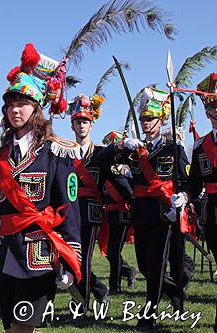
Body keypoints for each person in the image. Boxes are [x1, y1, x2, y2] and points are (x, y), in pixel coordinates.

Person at [0, 43, 81, 332]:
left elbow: (70, 213)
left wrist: (69, 259)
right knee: (10, 327)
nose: (15, 109)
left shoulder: (56, 154)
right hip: (7, 256)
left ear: (36, 109)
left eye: (22, 103)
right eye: (10, 103)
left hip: (41, 256)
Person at [99, 87, 190, 329]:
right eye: (143, 119)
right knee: (144, 266)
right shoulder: (133, 151)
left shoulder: (174, 149)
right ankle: (176, 291)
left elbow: (187, 181)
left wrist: (182, 198)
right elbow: (102, 160)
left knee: (158, 263)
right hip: (139, 212)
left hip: (164, 212)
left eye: (150, 119)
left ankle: (148, 316)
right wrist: (121, 144)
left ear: (160, 120)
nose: (146, 123)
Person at [180, 73, 217, 332]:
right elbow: (194, 183)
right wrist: (184, 196)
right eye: (213, 106)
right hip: (212, 213)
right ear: (207, 112)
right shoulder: (201, 145)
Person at [67, 94, 110, 312]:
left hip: (91, 214)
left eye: (85, 122)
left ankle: (82, 306)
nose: (81, 125)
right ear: (72, 125)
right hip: (68, 214)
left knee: (83, 261)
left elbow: (118, 180)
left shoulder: (102, 153)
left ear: (91, 125)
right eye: (77, 122)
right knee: (70, 259)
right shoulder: (64, 152)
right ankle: (100, 290)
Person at [101, 131, 137, 295]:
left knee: (113, 251)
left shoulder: (122, 168)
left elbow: (128, 190)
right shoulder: (106, 166)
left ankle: (115, 285)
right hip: (109, 214)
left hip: (122, 213)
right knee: (110, 251)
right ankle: (128, 271)